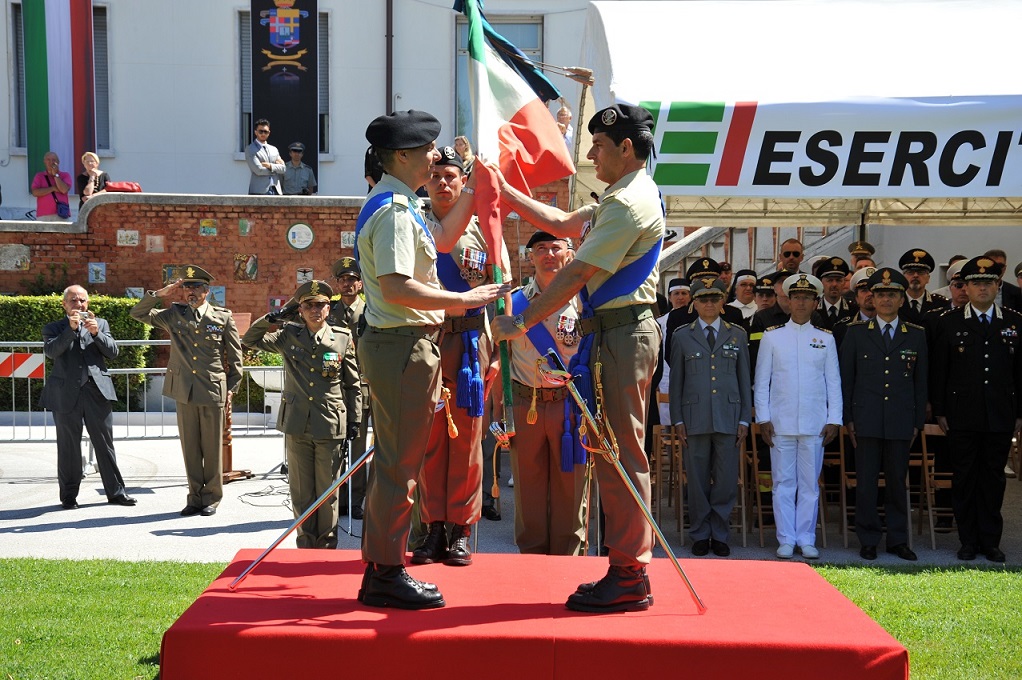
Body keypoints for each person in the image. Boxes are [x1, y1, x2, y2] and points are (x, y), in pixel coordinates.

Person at [492, 103, 663, 613]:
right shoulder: (623, 195)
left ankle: (630, 573)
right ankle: (625, 568)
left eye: (599, 147)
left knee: (622, 454)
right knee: (611, 451)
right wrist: (506, 192)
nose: (591, 154)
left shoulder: (626, 204)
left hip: (621, 335)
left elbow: (574, 275)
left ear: (626, 148)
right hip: (612, 335)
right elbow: (564, 222)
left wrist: (520, 321)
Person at [355, 110, 510, 610]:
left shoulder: (398, 204)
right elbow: (398, 287)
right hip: (402, 344)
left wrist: (475, 188)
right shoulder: (396, 212)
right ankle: (385, 571)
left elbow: (441, 240)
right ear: (402, 156)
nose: (435, 157)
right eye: (427, 151)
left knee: (400, 461)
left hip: (403, 344)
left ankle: (384, 566)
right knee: (400, 466)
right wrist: (462, 301)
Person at [411, 145, 495, 567]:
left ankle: (461, 528)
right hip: (430, 340)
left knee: (467, 440)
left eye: (452, 177)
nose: (444, 183)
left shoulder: (483, 229)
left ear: (464, 183)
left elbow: (500, 292)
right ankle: (433, 528)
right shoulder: (415, 225)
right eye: (436, 176)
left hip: (469, 348)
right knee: (431, 441)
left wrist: (497, 352)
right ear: (426, 182)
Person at [242, 280, 361, 549]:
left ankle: (327, 544)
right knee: (300, 492)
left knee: (327, 492)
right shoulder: (288, 335)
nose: (315, 310)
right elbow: (249, 340)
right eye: (309, 305)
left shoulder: (341, 338)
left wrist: (354, 420)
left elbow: (352, 383)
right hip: (297, 424)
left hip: (330, 424)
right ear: (300, 309)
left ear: (328, 309)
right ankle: (305, 543)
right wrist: (270, 318)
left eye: (320, 305)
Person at [130, 265, 244, 517]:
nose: (189, 292)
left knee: (212, 448)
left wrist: (231, 389)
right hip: (184, 390)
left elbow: (236, 359)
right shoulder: (174, 314)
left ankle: (212, 497)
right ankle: (194, 497)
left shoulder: (222, 317)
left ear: (206, 290)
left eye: (195, 288)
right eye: (186, 288)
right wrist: (160, 293)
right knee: (190, 448)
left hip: (213, 389)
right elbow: (137, 313)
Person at [930, 256, 1022, 563]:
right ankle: (967, 540)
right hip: (961, 414)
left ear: (998, 285)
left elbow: (1020, 372)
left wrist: (1019, 412)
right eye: (976, 283)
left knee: (993, 480)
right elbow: (939, 371)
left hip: (1000, 412)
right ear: (964, 287)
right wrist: (940, 410)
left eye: (988, 283)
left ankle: (990, 541)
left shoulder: (1014, 321)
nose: (982, 288)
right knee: (964, 478)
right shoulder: (948, 321)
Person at [506, 231, 586, 556]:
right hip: (528, 405)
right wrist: (502, 414)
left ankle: (569, 559)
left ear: (569, 254)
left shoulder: (584, 301)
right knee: (528, 489)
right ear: (530, 256)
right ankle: (530, 561)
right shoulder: (513, 302)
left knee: (572, 487)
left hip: (570, 407)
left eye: (557, 248)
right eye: (541, 248)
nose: (549, 254)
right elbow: (500, 360)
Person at [839, 268, 927, 562]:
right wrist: (848, 418)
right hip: (865, 419)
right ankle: (868, 538)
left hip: (901, 419)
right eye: (880, 294)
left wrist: (916, 422)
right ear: (870, 299)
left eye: (892, 294)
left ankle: (898, 540)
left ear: (901, 300)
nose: (886, 299)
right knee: (865, 483)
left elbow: (920, 382)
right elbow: (846, 380)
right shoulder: (855, 333)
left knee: (896, 482)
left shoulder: (915, 336)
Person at [754, 273, 841, 560]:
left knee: (809, 484)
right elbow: (762, 380)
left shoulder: (825, 339)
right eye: (796, 297)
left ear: (815, 302)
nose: (801, 302)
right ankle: (786, 538)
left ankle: (806, 538)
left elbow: (833, 382)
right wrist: (763, 418)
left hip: (814, 422)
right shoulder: (772, 336)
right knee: (782, 483)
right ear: (788, 301)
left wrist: (834, 419)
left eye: (807, 297)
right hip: (780, 421)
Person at [669, 278, 751, 557]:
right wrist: (677, 419)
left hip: (729, 416)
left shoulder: (737, 334)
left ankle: (721, 532)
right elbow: (676, 382)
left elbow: (744, 380)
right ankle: (700, 533)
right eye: (703, 299)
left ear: (723, 302)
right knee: (697, 478)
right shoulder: (681, 335)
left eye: (715, 298)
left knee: (726, 479)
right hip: (694, 417)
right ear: (694, 302)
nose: (709, 304)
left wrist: (744, 420)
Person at [40, 285, 136, 510]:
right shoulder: (53, 327)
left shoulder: (100, 324)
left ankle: (116, 493)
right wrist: (70, 330)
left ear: (88, 303)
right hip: (66, 395)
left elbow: (113, 352)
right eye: (73, 301)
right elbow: (52, 351)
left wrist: (97, 334)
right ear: (64, 304)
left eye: (82, 300)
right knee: (68, 447)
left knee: (105, 444)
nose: (79, 304)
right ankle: (69, 496)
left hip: (96, 393)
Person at [328, 257, 370, 520]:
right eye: (343, 280)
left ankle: (357, 500)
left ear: (360, 283)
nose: (347, 284)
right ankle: (339, 499)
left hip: (364, 387)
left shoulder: (371, 310)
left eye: (352, 280)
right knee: (335, 448)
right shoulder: (328, 312)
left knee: (357, 449)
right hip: (334, 386)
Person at [898, 248, 947, 323]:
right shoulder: (894, 302)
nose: (915, 275)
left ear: (928, 278)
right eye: (910, 272)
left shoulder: (941, 304)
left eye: (921, 272)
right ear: (903, 277)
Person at [245, 118, 285, 195]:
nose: (263, 134)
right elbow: (258, 170)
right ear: (255, 132)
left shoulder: (274, 149)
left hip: (276, 190)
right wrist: (276, 169)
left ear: (269, 133)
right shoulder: (250, 149)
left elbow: (283, 169)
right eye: (261, 131)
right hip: (259, 191)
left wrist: (270, 166)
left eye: (265, 132)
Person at [31, 151, 73, 221]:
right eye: (48, 160)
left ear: (58, 162)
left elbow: (64, 190)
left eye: (54, 160)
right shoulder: (39, 176)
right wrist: (53, 188)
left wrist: (56, 175)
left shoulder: (65, 175)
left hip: (61, 213)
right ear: (44, 162)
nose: (51, 162)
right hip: (43, 215)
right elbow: (35, 192)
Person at [815, 257, 855, 329]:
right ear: (822, 282)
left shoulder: (854, 309)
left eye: (838, 280)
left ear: (843, 283)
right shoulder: (813, 309)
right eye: (830, 280)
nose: (834, 284)